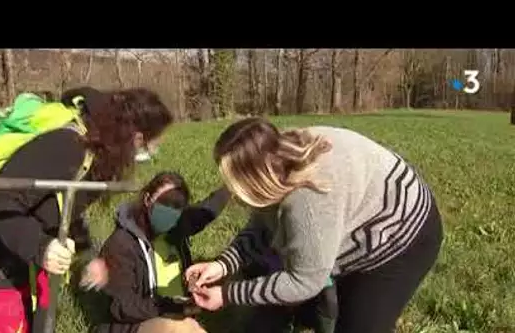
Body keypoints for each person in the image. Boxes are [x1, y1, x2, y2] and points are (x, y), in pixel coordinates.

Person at [186, 117, 444, 333]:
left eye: (235, 183)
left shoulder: (308, 201)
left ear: (259, 179)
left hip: (404, 233)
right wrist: (222, 265)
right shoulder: (276, 157)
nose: (231, 192)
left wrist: (228, 294)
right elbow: (263, 226)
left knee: (359, 324)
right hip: (357, 213)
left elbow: (304, 281)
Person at [0, 87, 174, 333]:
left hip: (28, 261)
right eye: (153, 144)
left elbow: (61, 207)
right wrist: (40, 246)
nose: (153, 153)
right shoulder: (67, 145)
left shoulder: (98, 154)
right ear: (137, 138)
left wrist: (87, 253)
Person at [80, 171, 231, 333]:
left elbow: (206, 211)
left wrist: (231, 186)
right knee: (181, 328)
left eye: (177, 206)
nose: (170, 211)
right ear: (147, 199)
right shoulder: (121, 244)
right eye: (165, 202)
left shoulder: (177, 228)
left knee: (190, 327)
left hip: (176, 317)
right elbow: (122, 306)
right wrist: (172, 306)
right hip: (130, 326)